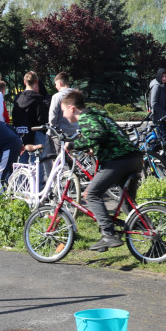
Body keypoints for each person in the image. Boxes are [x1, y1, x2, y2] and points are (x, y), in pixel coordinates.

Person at [60, 89, 144, 251]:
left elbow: (98, 133)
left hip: (118, 161)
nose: (63, 115)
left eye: (63, 110)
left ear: (71, 108)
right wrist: (94, 148)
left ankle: (108, 235)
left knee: (91, 194)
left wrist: (73, 145)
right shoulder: (98, 115)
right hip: (133, 158)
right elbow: (108, 135)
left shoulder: (85, 118)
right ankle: (156, 240)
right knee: (128, 205)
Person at [11, 71, 50, 169]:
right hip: (35, 131)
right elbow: (41, 118)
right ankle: (37, 183)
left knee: (22, 161)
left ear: (24, 82)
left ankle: (22, 182)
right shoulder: (38, 99)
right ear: (36, 82)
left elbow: (14, 116)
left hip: (20, 132)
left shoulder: (17, 98)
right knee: (36, 161)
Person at [48, 72, 79, 139]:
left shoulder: (57, 97)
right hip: (76, 132)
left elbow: (53, 115)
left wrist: (50, 130)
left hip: (62, 134)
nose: (56, 87)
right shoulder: (77, 95)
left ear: (60, 83)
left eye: (56, 84)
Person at [148, 68, 166, 140]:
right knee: (162, 139)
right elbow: (153, 103)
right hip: (158, 118)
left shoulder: (163, 86)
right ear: (159, 76)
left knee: (165, 138)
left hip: (163, 117)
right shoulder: (156, 86)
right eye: (162, 76)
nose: (164, 78)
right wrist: (164, 112)